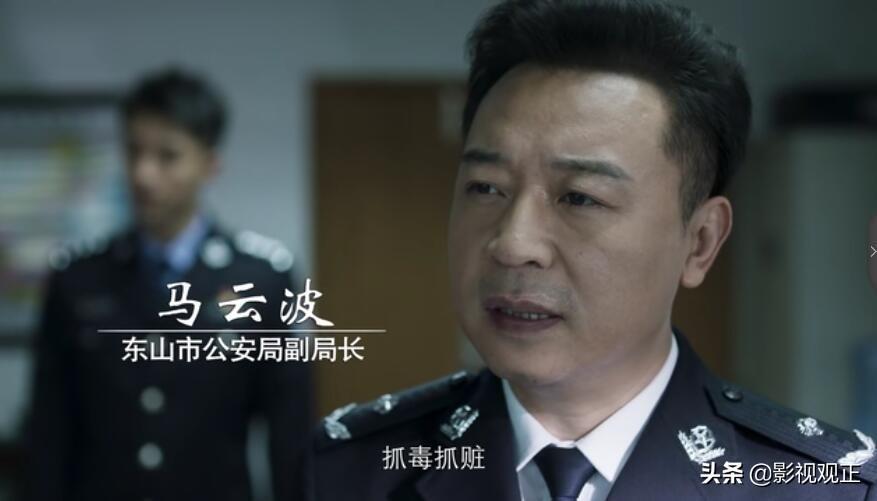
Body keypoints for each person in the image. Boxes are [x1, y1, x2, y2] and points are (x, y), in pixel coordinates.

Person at [295, 1, 877, 499]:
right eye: (486, 188)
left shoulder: (828, 487)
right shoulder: (347, 469)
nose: (513, 244)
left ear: (700, 242)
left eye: (580, 198)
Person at [25, 68, 313, 501]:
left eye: (168, 156)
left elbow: (288, 434)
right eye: (134, 152)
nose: (144, 174)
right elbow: (48, 433)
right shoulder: (79, 277)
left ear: (210, 164)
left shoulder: (262, 279)